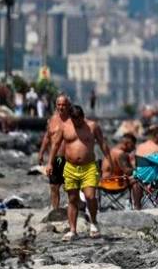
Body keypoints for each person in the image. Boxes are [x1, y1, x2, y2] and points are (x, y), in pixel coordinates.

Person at [46, 105, 112, 241]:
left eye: (80, 119)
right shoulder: (65, 127)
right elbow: (55, 145)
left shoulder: (92, 126)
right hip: (70, 167)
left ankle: (93, 222)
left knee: (90, 196)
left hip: (89, 167)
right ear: (71, 118)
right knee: (72, 199)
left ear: (83, 116)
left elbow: (102, 143)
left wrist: (109, 161)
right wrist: (50, 163)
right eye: (75, 120)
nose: (78, 123)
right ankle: (72, 230)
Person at [38, 94, 71, 210]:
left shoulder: (73, 121)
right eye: (59, 105)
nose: (61, 107)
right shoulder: (52, 120)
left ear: (69, 106)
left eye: (64, 105)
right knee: (54, 186)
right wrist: (41, 153)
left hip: (69, 159)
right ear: (56, 105)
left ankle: (73, 209)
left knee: (70, 187)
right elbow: (47, 137)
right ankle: (55, 210)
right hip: (55, 158)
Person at [101, 132, 141, 209]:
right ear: (127, 143)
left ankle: (132, 204)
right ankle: (137, 206)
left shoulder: (112, 151)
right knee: (137, 180)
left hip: (104, 183)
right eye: (132, 145)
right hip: (114, 183)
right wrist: (140, 169)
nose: (133, 148)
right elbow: (127, 171)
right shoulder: (122, 154)